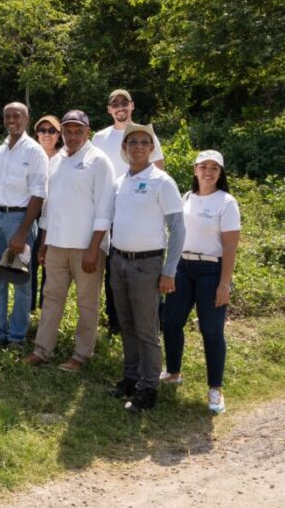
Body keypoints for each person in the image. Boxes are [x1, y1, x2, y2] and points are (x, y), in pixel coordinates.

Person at [26, 110, 116, 372]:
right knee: (51, 297)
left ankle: (81, 354)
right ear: (62, 132)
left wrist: (94, 247)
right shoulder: (56, 161)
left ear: (87, 132)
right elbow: (49, 207)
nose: (72, 135)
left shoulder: (99, 161)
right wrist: (44, 242)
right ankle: (43, 350)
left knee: (87, 303)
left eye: (78, 131)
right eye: (68, 130)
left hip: (86, 248)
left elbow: (104, 208)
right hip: (56, 244)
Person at [108, 123, 185, 413]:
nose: (138, 146)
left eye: (144, 142)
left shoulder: (162, 181)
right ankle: (131, 377)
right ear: (124, 149)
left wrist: (169, 270)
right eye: (132, 142)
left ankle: (149, 386)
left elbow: (177, 229)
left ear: (152, 148)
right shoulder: (120, 181)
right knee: (126, 324)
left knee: (147, 329)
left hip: (147, 265)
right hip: (118, 261)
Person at [161, 150, 240, 414]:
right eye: (203, 166)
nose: (208, 172)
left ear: (220, 173)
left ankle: (215, 389)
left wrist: (224, 284)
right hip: (182, 267)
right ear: (195, 169)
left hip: (211, 271)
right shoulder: (186, 198)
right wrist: (169, 268)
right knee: (171, 322)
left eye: (214, 168)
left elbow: (230, 248)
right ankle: (173, 372)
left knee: (212, 331)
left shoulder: (227, 202)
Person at [92, 89, 165, 335]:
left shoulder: (145, 134)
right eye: (115, 103)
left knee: (143, 268)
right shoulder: (99, 138)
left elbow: (159, 174)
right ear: (109, 109)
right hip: (108, 212)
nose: (120, 107)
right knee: (114, 269)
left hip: (139, 212)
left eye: (125, 102)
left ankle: (149, 321)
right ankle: (116, 322)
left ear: (132, 106)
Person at [0, 103, 48, 346]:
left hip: (19, 220)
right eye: (7, 116)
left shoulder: (34, 152)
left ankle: (17, 336)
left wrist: (22, 232)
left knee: (20, 282)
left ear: (26, 118)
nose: (11, 120)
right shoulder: (0, 151)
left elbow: (38, 195)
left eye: (16, 115)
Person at [29, 115, 63, 310]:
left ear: (59, 135)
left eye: (52, 131)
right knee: (30, 263)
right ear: (36, 134)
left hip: (56, 219)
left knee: (51, 266)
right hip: (32, 216)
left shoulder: (65, 157)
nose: (47, 134)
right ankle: (30, 307)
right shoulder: (31, 155)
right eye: (42, 130)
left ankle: (46, 309)